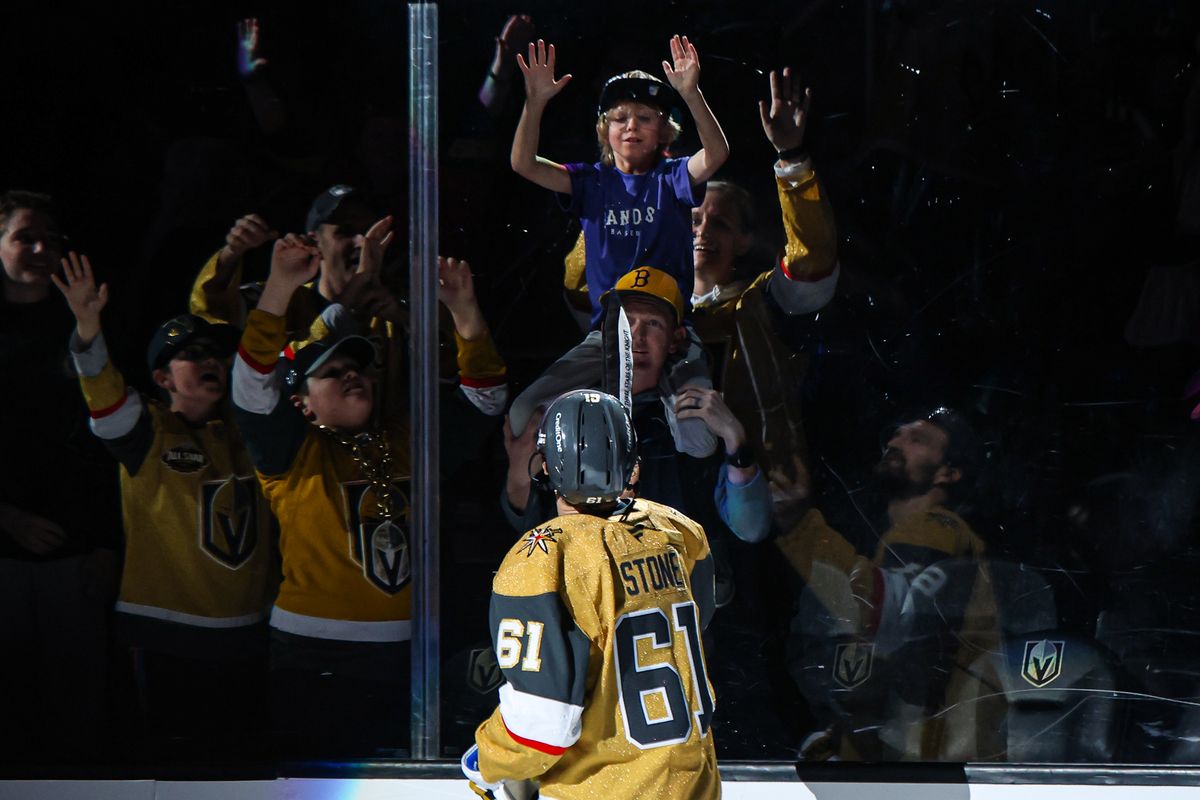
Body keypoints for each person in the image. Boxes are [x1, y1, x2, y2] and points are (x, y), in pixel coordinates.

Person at [232, 234, 507, 754]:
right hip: (311, 652)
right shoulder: (290, 454)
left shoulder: (408, 440)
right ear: (302, 404)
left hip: (407, 650)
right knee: (309, 784)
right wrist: (279, 288)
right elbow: (250, 390)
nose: (351, 375)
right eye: (331, 374)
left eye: (356, 367)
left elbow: (486, 399)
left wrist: (464, 310)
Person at [54, 252, 277, 755]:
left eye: (216, 354)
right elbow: (104, 396)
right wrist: (88, 326)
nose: (210, 362)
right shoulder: (146, 430)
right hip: (164, 636)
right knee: (173, 761)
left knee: (242, 762)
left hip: (248, 631)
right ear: (162, 379)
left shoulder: (249, 434)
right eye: (192, 355)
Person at [463, 390, 720, 800]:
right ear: (633, 467)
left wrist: (489, 760)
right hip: (694, 787)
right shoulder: (677, 529)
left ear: (544, 465)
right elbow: (697, 624)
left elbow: (543, 724)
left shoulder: (541, 556)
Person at [506, 35, 729, 456]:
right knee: (523, 413)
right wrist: (535, 102)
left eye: (645, 118)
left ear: (664, 131)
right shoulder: (590, 182)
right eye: (620, 117)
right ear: (604, 130)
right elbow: (523, 164)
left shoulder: (671, 178)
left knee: (699, 441)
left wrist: (691, 93)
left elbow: (716, 153)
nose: (631, 126)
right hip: (608, 334)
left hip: (671, 334)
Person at [775, 407, 997, 761]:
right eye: (896, 433)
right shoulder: (897, 538)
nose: (896, 441)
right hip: (912, 759)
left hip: (927, 767)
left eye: (917, 439)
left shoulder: (937, 527)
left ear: (948, 473)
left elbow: (883, 611)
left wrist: (798, 524)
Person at [502, 266, 769, 551]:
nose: (637, 336)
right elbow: (532, 530)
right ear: (607, 333)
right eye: (626, 322)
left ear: (675, 339)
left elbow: (751, 527)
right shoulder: (577, 418)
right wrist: (518, 476)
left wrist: (735, 439)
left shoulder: (695, 419)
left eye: (653, 323)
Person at [0, 191, 120, 763]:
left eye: (50, 239)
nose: (40, 249)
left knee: (77, 713)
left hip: (75, 554)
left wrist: (107, 543)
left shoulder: (83, 321)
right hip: (3, 551)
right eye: (24, 237)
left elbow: (112, 439)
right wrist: (6, 518)